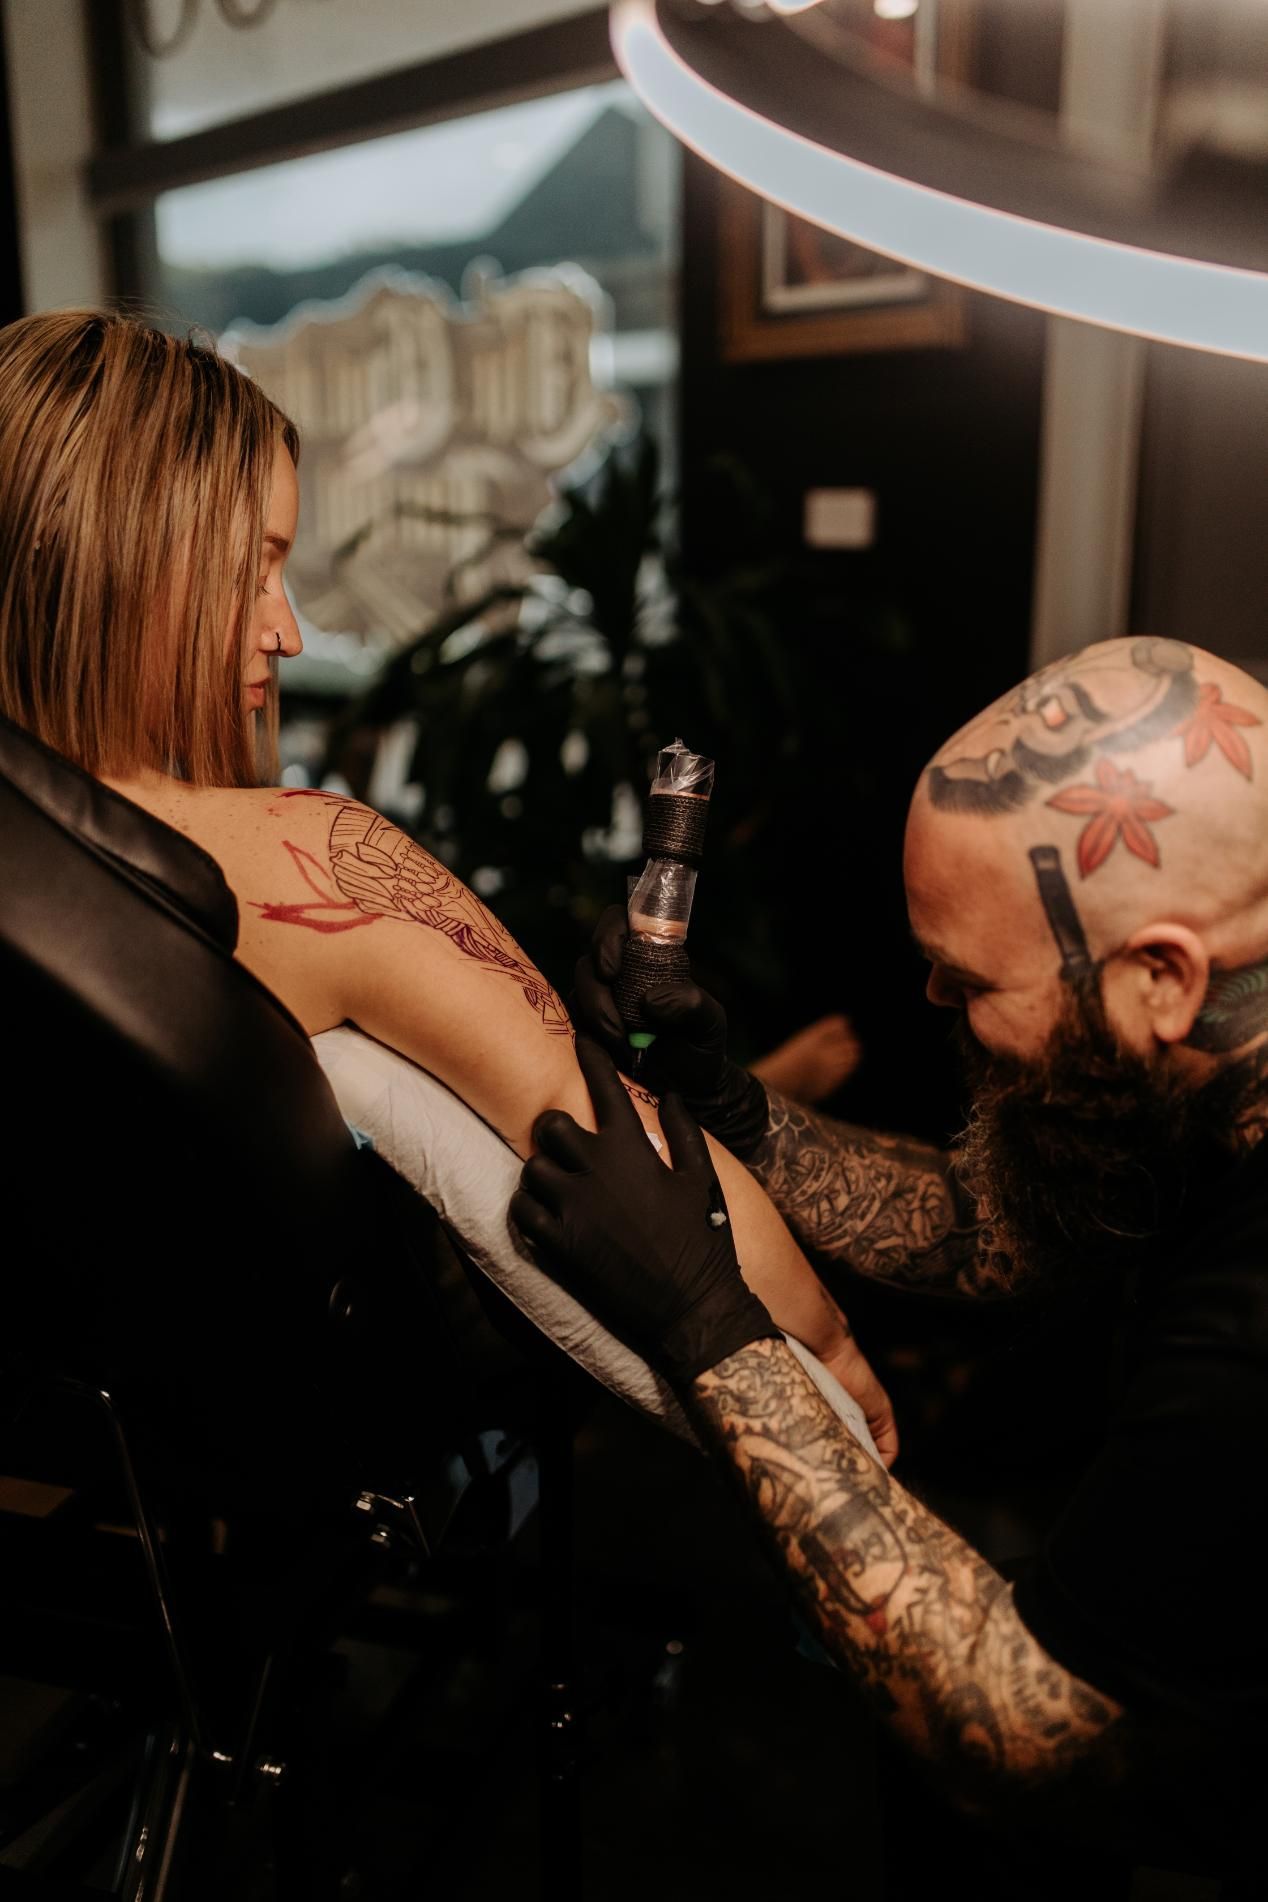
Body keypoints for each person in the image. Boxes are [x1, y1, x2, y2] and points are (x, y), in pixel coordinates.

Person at [0, 306, 895, 1455]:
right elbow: (616, 1147)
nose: (291, 630)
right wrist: (828, 1353)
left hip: (92, 1430)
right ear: (124, 561)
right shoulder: (296, 857)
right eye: (256, 569)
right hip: (334, 1424)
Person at [513, 636, 1268, 1888]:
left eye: (967, 981)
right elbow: (994, 1236)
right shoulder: (1212, 1073)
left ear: (1159, 977)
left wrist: (704, 1323)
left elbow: (1024, 1730)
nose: (927, 993)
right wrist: (731, 1103)